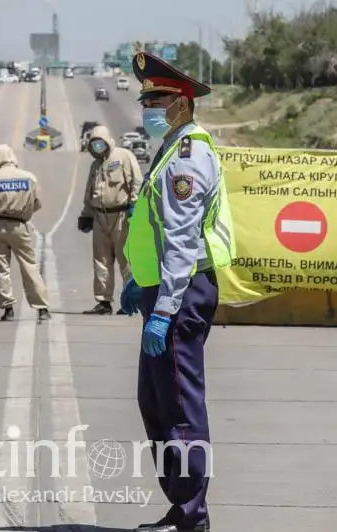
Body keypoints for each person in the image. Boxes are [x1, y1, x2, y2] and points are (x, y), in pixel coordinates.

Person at [119, 52, 236, 532]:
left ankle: (192, 514)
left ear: (183, 103)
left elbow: (184, 239)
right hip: (165, 289)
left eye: (158, 98)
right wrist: (139, 279)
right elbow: (161, 233)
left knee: (181, 407)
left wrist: (165, 308)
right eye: (145, 98)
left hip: (181, 295)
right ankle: (181, 505)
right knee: (157, 401)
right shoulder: (170, 147)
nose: (149, 106)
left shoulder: (189, 156)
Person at [0, 144, 50, 322]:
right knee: (29, 266)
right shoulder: (29, 178)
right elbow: (38, 203)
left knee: (1, 268)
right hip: (20, 226)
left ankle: (8, 308)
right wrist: (23, 211)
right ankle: (42, 308)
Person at [77, 125, 143, 315]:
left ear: (107, 141)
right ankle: (103, 301)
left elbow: (136, 182)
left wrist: (134, 205)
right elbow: (90, 191)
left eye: (100, 142)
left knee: (126, 260)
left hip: (122, 216)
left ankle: (130, 302)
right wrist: (86, 214)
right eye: (94, 144)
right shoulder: (95, 165)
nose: (97, 147)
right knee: (101, 260)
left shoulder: (123, 157)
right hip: (99, 216)